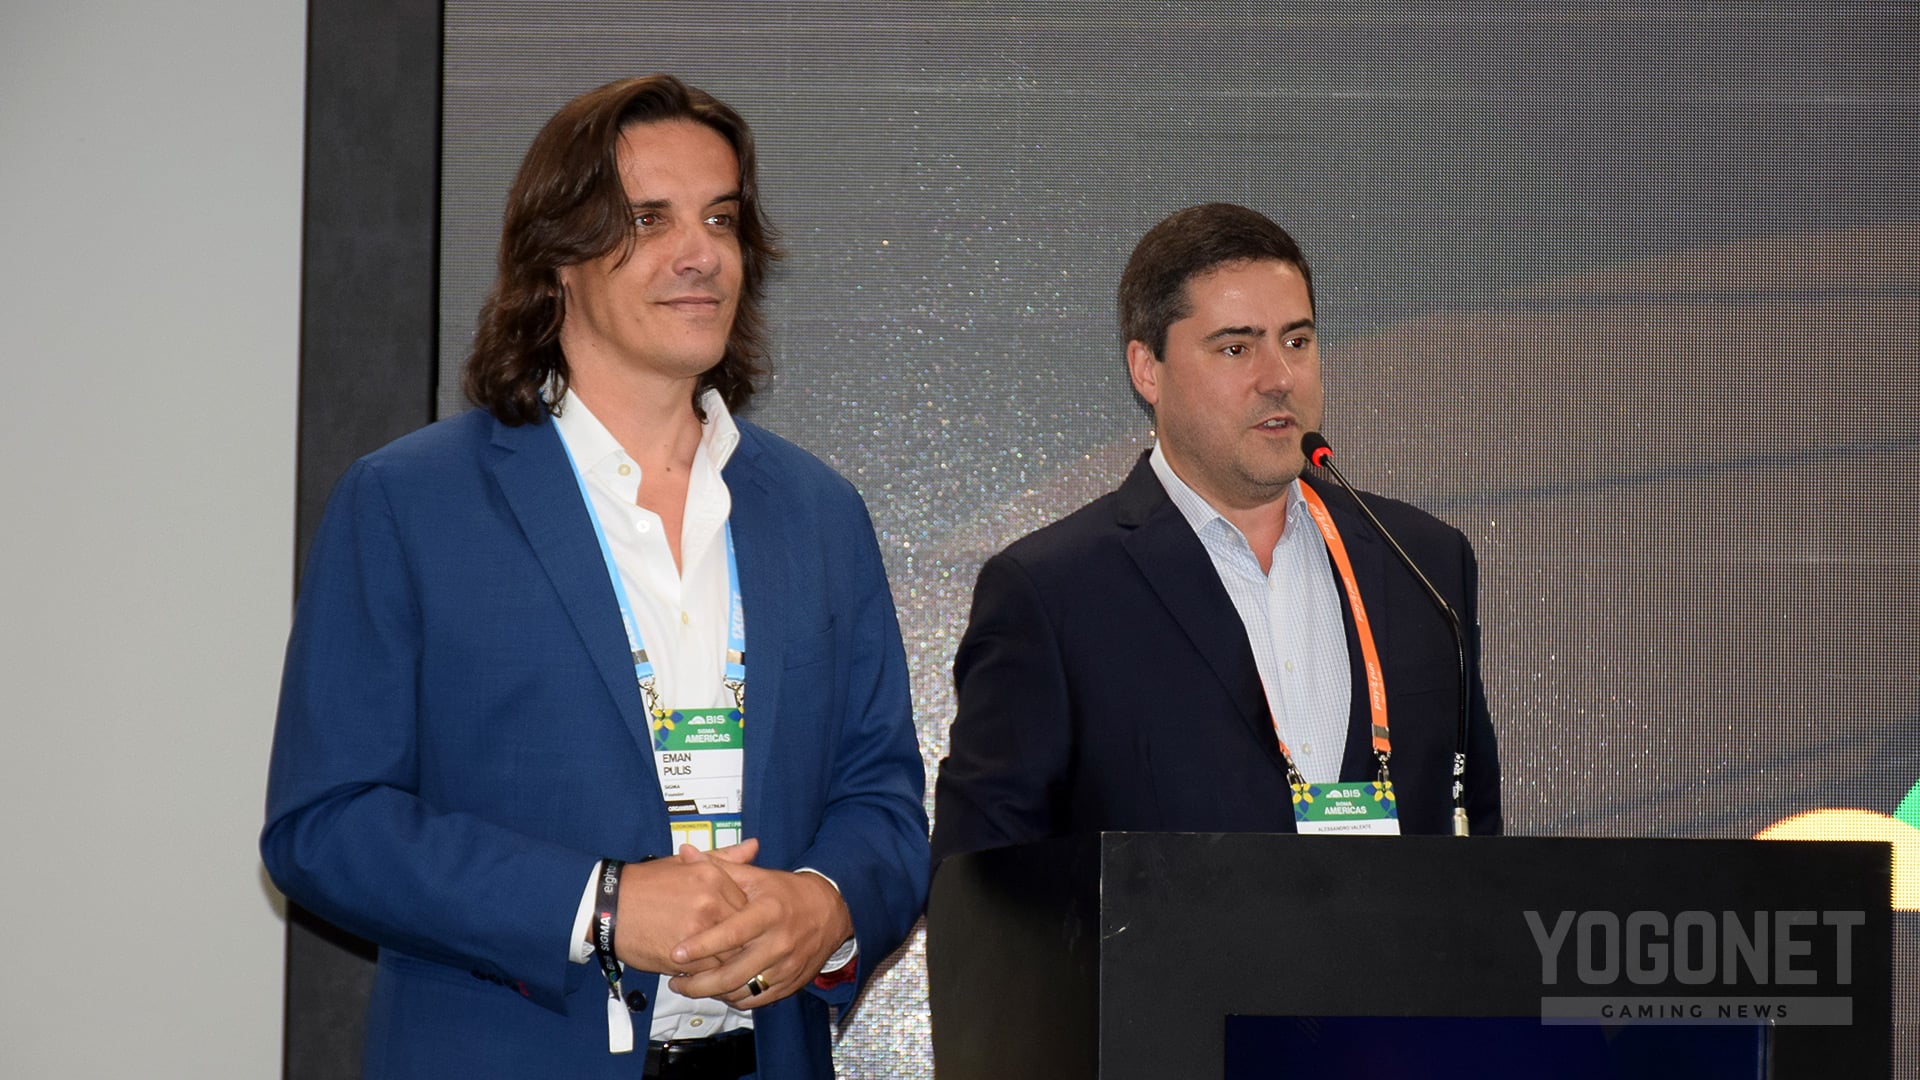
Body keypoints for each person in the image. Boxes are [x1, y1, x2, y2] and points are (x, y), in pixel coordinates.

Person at [262, 75, 929, 1079]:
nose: (701, 253)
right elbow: (325, 825)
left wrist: (825, 904)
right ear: (556, 260)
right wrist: (600, 905)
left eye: (720, 218)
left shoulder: (819, 513)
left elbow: (881, 798)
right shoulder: (410, 502)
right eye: (649, 220)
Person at [931, 202, 1500, 863]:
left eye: (1297, 341)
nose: (1279, 378)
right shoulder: (1053, 592)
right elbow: (981, 882)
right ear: (1148, 369)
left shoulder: (1422, 564)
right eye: (1236, 348)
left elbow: (1479, 842)